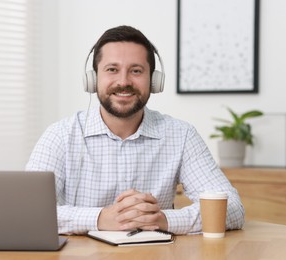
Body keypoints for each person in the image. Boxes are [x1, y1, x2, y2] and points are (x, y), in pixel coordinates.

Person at [26, 25, 244, 235]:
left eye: (136, 71)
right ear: (93, 79)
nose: (123, 81)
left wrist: (162, 219)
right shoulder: (60, 135)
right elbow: (28, 212)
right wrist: (100, 218)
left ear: (154, 81)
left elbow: (232, 208)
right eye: (112, 69)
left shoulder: (181, 135)